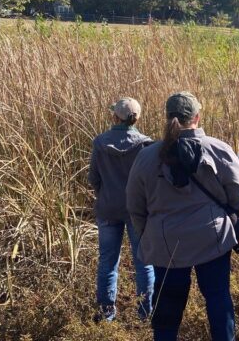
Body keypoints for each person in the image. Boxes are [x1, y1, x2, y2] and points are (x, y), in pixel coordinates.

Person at [126, 92, 239, 341]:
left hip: (166, 241)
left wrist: (148, 232)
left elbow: (134, 204)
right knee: (217, 297)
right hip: (212, 238)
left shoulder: (147, 157)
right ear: (197, 117)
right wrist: (223, 214)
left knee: (167, 306)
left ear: (167, 118)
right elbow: (238, 193)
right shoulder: (217, 149)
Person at [88, 97, 154, 322]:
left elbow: (93, 179)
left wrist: (106, 195)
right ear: (137, 118)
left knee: (107, 262)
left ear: (115, 116)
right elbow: (151, 181)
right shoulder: (146, 144)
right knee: (144, 262)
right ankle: (145, 314)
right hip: (137, 211)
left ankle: (107, 314)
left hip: (108, 209)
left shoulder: (100, 142)